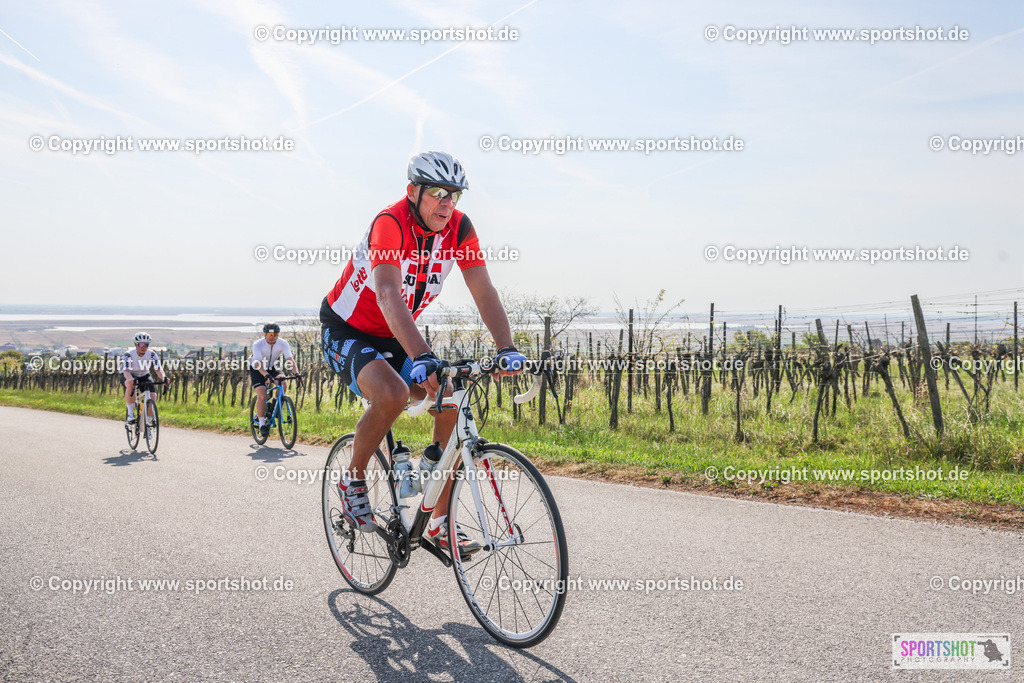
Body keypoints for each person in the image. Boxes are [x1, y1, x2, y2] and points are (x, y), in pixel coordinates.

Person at [320, 151, 527, 552]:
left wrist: (507, 347)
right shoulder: (390, 223)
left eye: (455, 196)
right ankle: (353, 479)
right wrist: (419, 354)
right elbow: (386, 294)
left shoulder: (459, 230)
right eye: (437, 193)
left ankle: (438, 520)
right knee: (393, 393)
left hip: (396, 332)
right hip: (348, 327)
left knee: (449, 397)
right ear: (413, 191)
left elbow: (483, 290)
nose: (447, 204)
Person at [248, 323, 301, 438]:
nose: (271, 337)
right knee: (262, 395)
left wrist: (297, 373)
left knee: (283, 383)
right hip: (257, 367)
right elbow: (258, 363)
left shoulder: (283, 343)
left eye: (274, 334)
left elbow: (290, 360)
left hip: (271, 366)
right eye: (269, 334)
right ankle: (262, 424)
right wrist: (265, 375)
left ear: (278, 335)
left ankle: (273, 407)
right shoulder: (258, 344)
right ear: (265, 334)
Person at [120, 332, 169, 440]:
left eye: (146, 344)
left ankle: (148, 425)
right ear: (135, 344)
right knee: (131, 384)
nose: (144, 347)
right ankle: (130, 414)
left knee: (153, 396)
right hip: (129, 374)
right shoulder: (128, 354)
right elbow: (126, 371)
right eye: (141, 345)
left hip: (144, 374)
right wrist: (131, 380)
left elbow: (158, 369)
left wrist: (163, 378)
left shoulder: (152, 354)